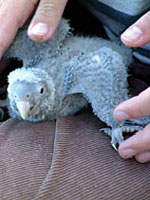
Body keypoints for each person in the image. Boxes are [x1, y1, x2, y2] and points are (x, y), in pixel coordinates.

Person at [0, 0, 150, 163]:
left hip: (134, 70)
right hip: (83, 20)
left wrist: (116, 119)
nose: (24, 107)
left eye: (41, 91)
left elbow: (107, 63)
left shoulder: (75, 76)